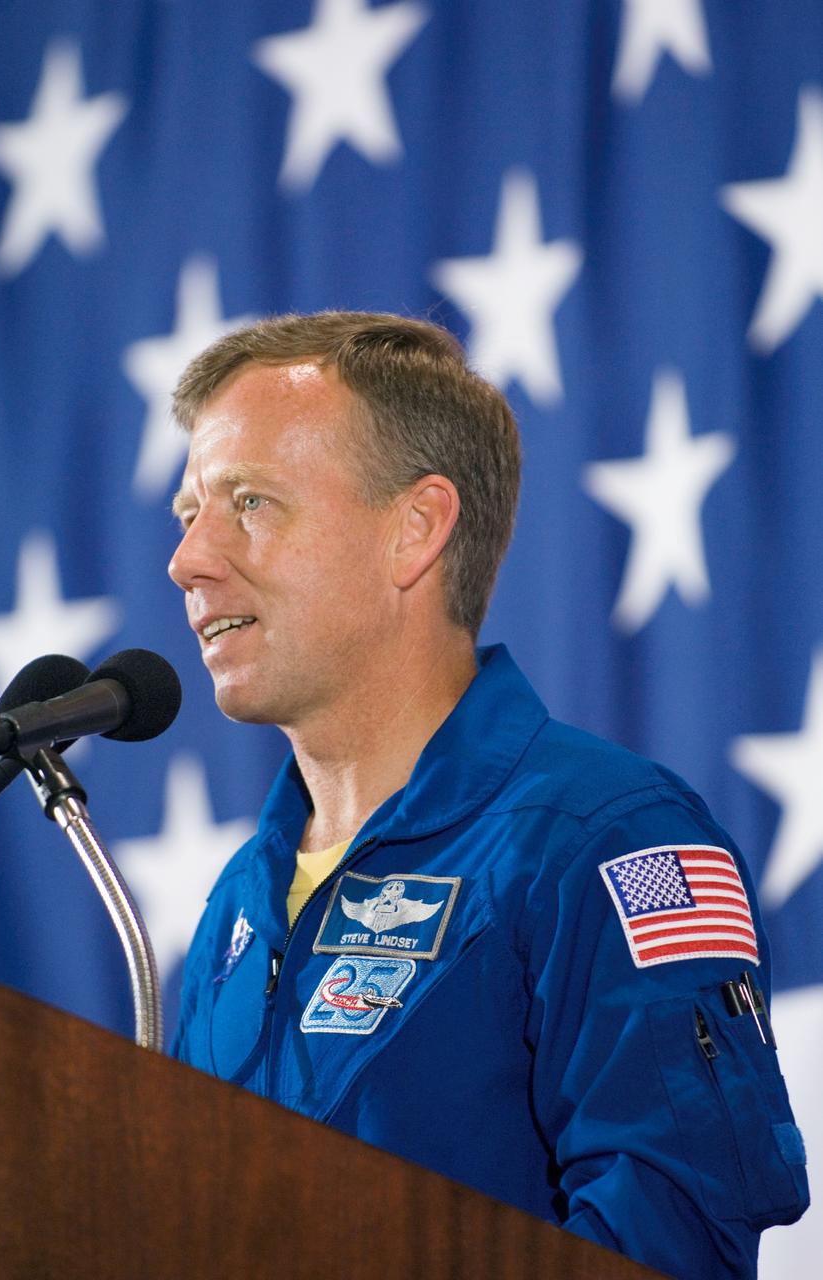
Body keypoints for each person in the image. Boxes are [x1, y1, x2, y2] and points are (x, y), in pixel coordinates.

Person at [167, 311, 808, 1279]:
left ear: (415, 529)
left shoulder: (613, 837)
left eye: (249, 501)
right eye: (188, 514)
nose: (189, 560)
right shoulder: (239, 899)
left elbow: (669, 1242)